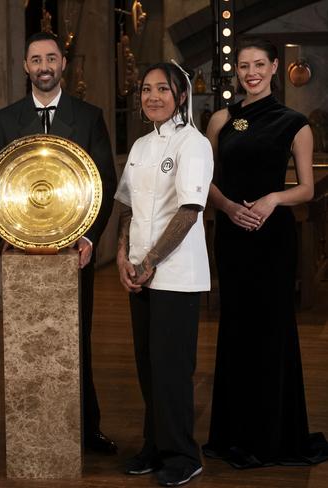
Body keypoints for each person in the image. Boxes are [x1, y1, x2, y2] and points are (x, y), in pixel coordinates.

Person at [0, 31, 117, 454]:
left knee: (76, 339)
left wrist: (92, 238)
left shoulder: (90, 115)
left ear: (64, 64)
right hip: (22, 251)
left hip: (72, 251)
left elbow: (104, 182)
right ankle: (32, 429)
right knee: (28, 342)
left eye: (51, 58)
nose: (44, 66)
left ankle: (85, 427)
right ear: (25, 66)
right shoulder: (5, 119)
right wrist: (1, 239)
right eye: (36, 59)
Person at [203, 37, 328, 468]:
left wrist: (273, 199)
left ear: (275, 67)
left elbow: (307, 189)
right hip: (233, 234)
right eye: (243, 66)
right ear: (235, 71)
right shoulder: (221, 119)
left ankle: (272, 434)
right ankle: (233, 432)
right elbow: (206, 182)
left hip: (272, 238)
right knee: (236, 327)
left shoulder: (295, 123)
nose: (251, 72)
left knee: (272, 329)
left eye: (259, 64)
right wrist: (229, 208)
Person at [115, 62, 213, 486]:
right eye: (146, 89)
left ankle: (183, 453)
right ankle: (154, 445)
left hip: (174, 275)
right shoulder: (138, 147)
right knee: (148, 366)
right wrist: (122, 255)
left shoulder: (193, 144)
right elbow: (127, 206)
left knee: (172, 368)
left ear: (181, 95)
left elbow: (190, 211)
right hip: (138, 271)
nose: (153, 96)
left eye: (163, 89)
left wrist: (150, 259)